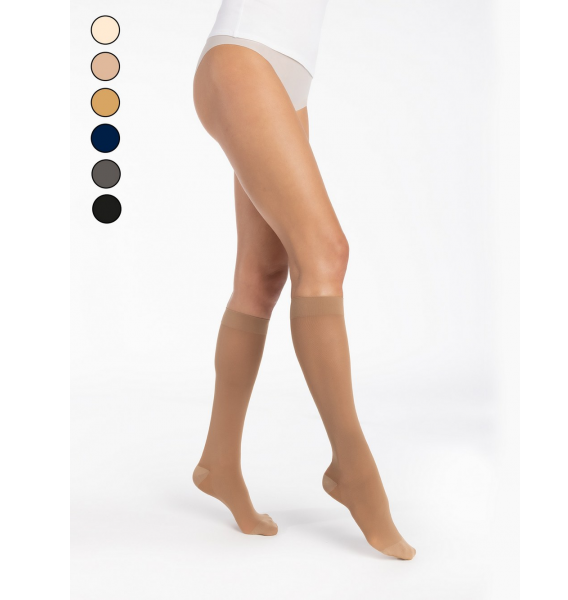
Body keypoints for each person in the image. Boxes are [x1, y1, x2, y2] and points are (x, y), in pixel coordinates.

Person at [191, 0, 415, 560]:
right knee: (325, 253)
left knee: (261, 275)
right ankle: (353, 467)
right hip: (244, 56)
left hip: (288, 78)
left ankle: (218, 461)